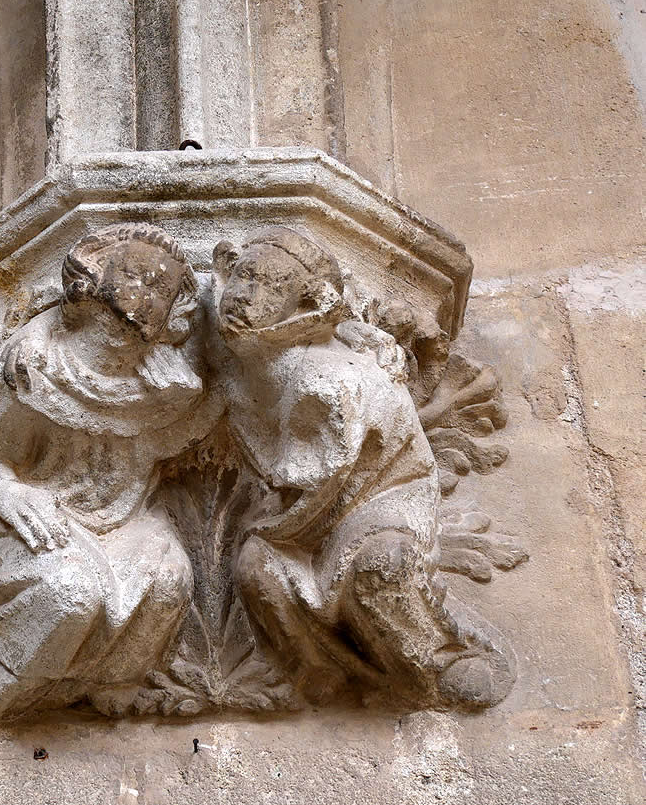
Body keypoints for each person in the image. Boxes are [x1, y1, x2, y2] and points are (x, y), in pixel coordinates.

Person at [212, 226, 514, 708]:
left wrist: (273, 518)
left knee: (379, 568)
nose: (245, 295)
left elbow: (325, 477)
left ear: (305, 304)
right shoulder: (244, 351)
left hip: (376, 502)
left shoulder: (322, 378)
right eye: (243, 276)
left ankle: (433, 659)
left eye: (270, 286)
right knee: (254, 566)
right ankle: (316, 666)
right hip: (309, 513)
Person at [0, 223, 218, 722]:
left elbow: (232, 375)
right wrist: (8, 492)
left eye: (163, 291)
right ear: (93, 276)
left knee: (171, 582)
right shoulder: (39, 363)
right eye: (136, 276)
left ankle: (107, 676)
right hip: (45, 514)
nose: (146, 297)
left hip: (127, 522)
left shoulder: (168, 386)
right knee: (72, 593)